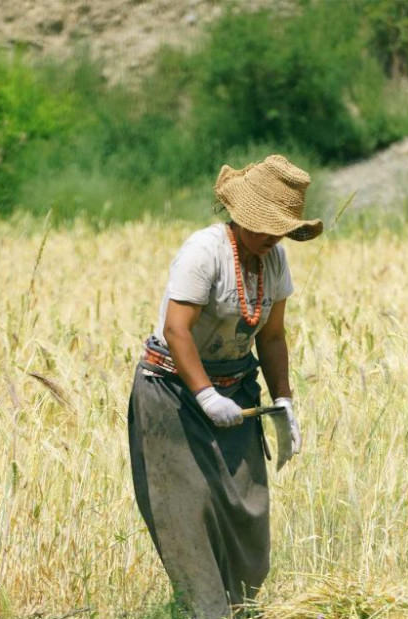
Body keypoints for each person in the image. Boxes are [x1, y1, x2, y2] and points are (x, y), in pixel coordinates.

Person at [127, 154, 323, 617]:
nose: (270, 236)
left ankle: (240, 608)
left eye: (278, 228)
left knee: (247, 513)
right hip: (173, 394)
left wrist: (283, 402)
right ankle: (204, 610)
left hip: (237, 391)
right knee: (187, 511)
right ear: (239, 214)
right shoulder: (205, 251)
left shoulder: (274, 261)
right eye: (263, 225)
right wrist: (205, 395)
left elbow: (272, 336)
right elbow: (177, 330)